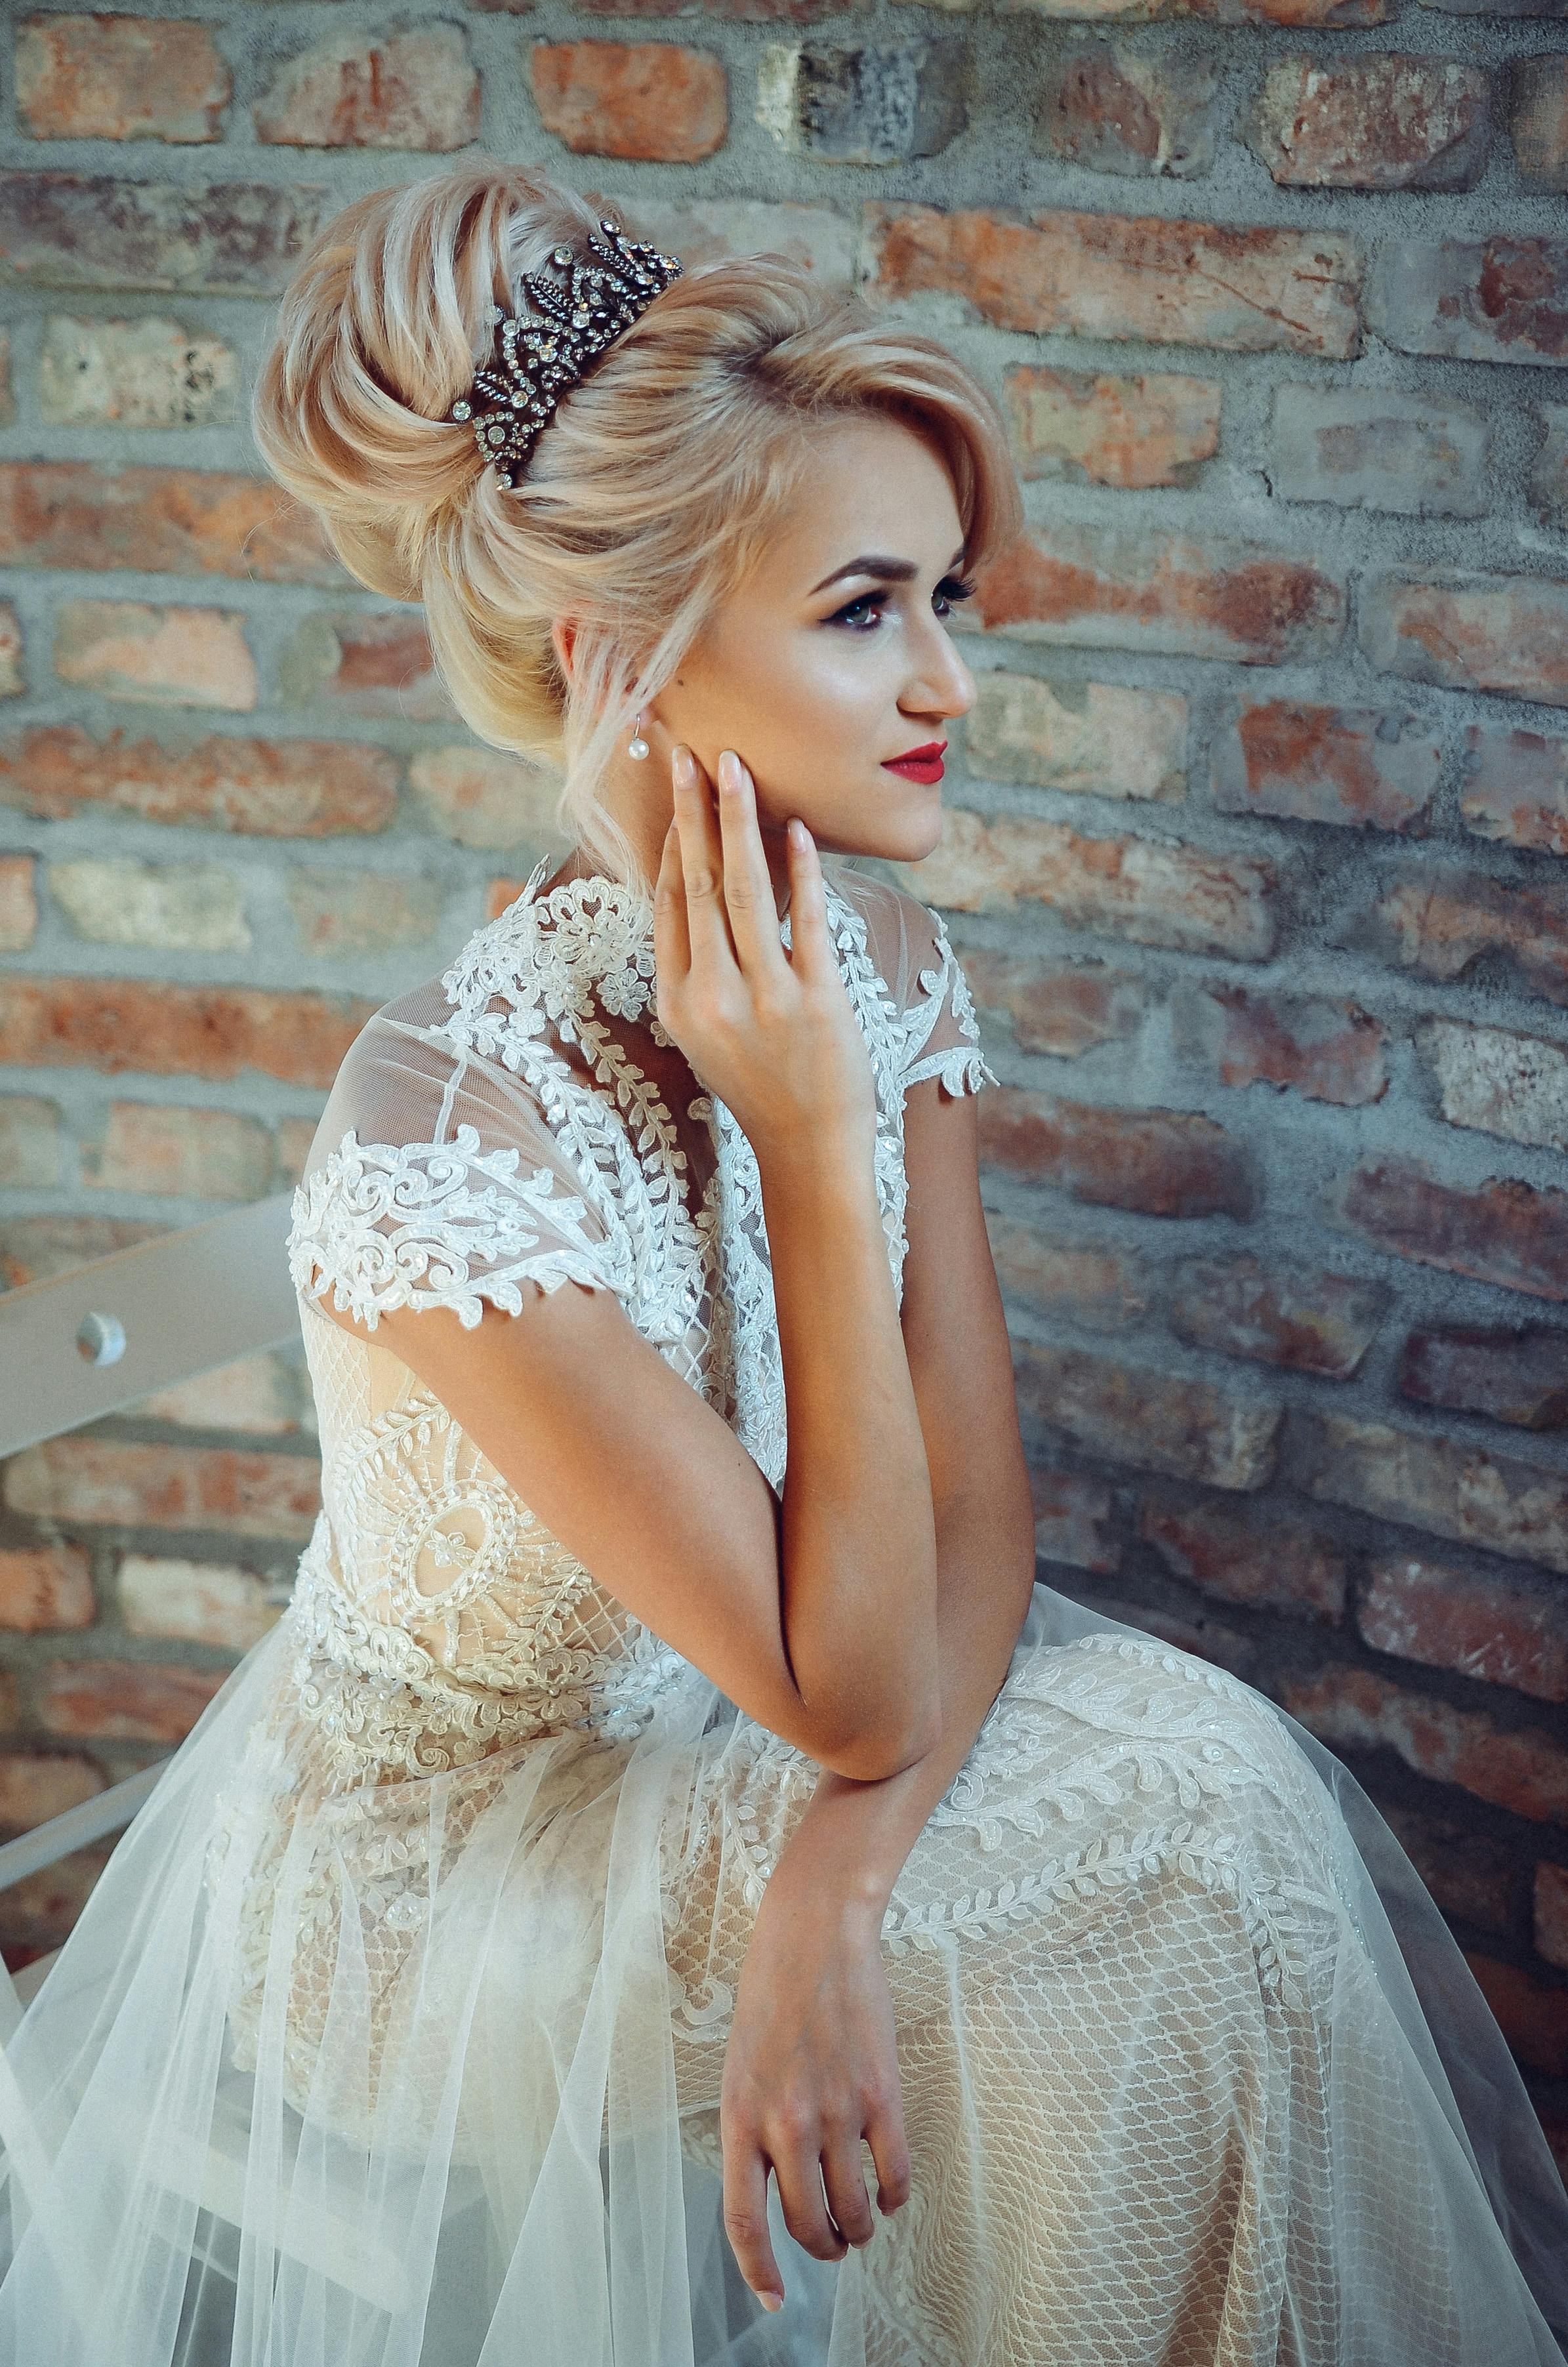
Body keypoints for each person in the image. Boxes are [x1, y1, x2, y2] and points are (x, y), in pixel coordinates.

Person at [1, 160, 1565, 2367]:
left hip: (737, 1737)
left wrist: (830, 1886)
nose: (945, 675)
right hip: (430, 1881)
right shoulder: (443, 1135)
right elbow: (852, 1684)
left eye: (947, 598)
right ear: (618, 660)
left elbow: (978, 1527)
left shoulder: (884, 956)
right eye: (862, 608)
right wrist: (814, 1156)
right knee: (1123, 1887)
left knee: (1204, 1790)